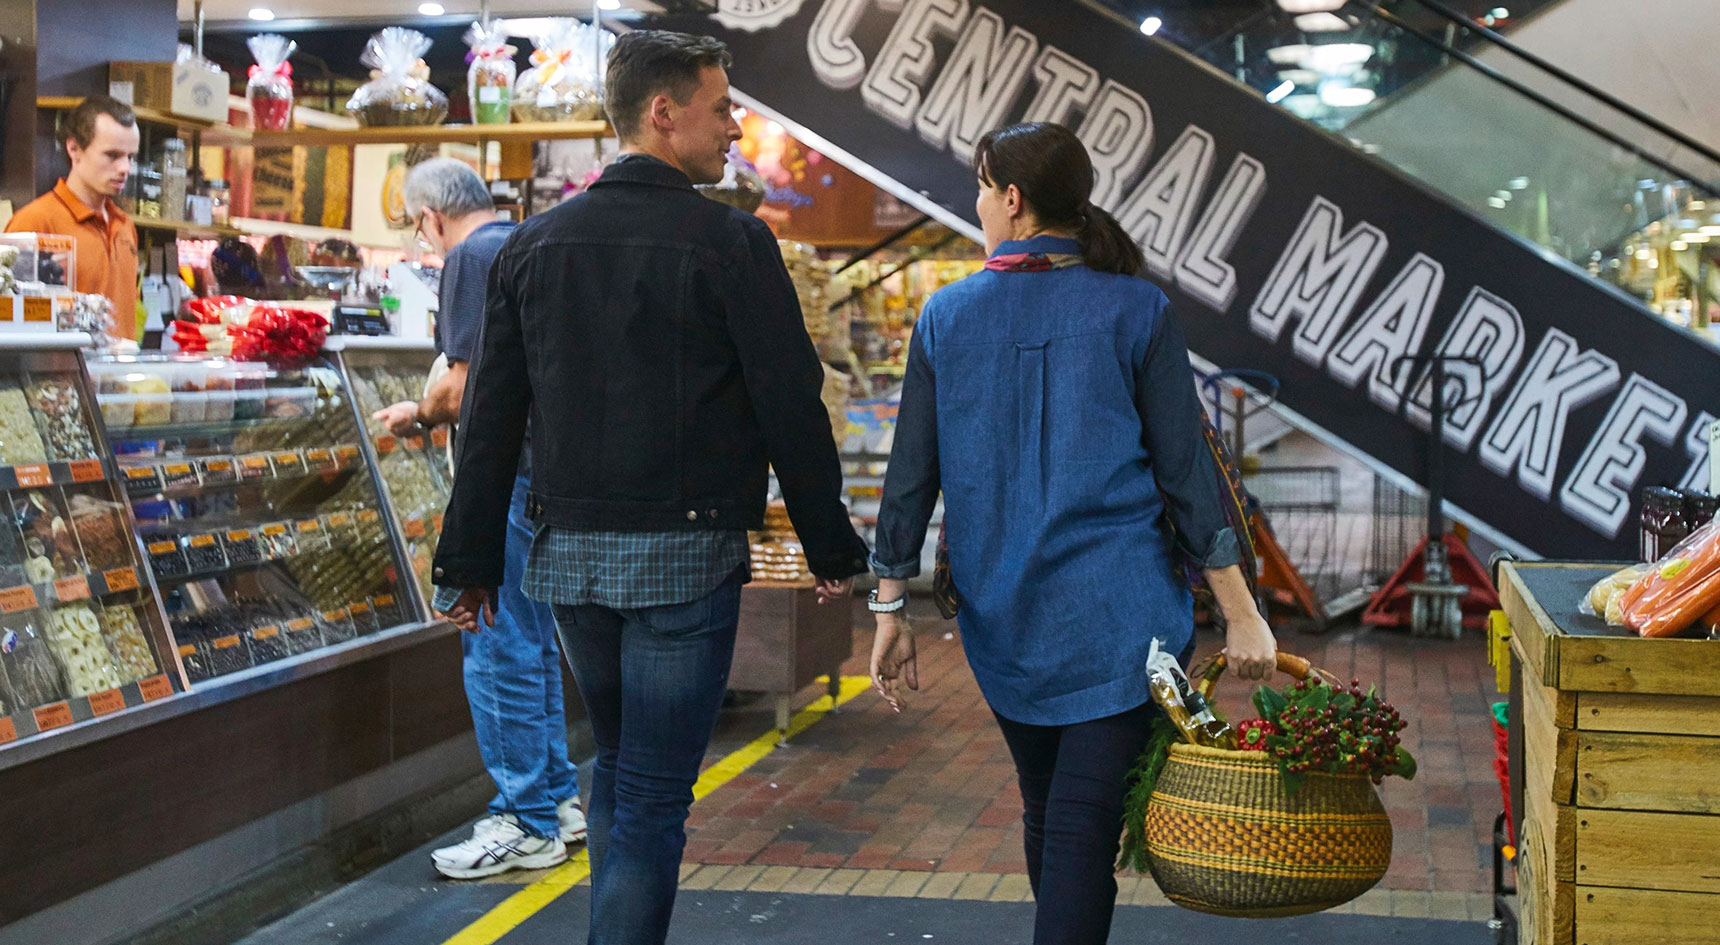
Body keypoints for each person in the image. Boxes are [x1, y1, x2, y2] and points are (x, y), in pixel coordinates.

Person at [432, 30, 869, 945]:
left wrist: (468, 562)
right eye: (723, 107)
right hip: (685, 558)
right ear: (664, 114)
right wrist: (831, 543)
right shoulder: (732, 244)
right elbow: (790, 402)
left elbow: (490, 420)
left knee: (621, 768)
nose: (736, 127)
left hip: (570, 564)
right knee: (655, 795)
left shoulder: (532, 246)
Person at [867, 122, 1279, 945]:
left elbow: (910, 472)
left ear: (1013, 200)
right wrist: (1242, 612)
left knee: (1053, 813)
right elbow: (1188, 474)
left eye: (982, 188)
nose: (979, 204)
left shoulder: (945, 316)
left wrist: (889, 604)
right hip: (1122, 624)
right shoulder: (1137, 308)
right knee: (1075, 827)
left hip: (1004, 623)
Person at [375, 158, 585, 880]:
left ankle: (524, 820)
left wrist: (418, 410)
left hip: (507, 478)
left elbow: (464, 387)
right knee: (532, 641)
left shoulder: (471, 256)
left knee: (495, 641)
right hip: (546, 476)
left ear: (429, 218)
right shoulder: (529, 241)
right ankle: (556, 800)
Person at [6, 96, 141, 340]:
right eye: (112, 155)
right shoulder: (34, 222)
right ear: (74, 149)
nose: (125, 168)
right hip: (63, 364)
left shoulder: (125, 226)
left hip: (120, 363)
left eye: (131, 157)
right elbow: (9, 322)